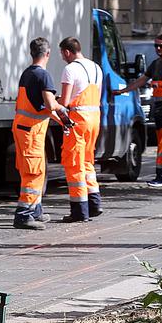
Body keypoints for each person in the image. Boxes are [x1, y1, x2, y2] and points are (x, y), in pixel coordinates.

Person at [12, 37, 70, 230]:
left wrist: (60, 121)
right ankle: (24, 215)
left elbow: (41, 107)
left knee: (33, 170)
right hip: (32, 133)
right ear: (48, 53)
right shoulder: (44, 76)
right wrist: (62, 109)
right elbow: (50, 104)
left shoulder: (27, 74)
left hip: (22, 129)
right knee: (33, 173)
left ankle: (36, 211)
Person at [119, 33, 162, 186]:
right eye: (156, 46)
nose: (158, 49)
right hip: (160, 107)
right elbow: (142, 80)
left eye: (161, 46)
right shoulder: (155, 64)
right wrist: (124, 90)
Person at [59, 37, 104, 221]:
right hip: (94, 118)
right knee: (87, 161)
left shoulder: (70, 69)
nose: (63, 58)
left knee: (74, 163)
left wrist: (54, 102)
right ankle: (94, 204)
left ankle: (79, 210)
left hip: (77, 120)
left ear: (68, 52)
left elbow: (65, 101)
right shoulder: (96, 68)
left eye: (62, 54)